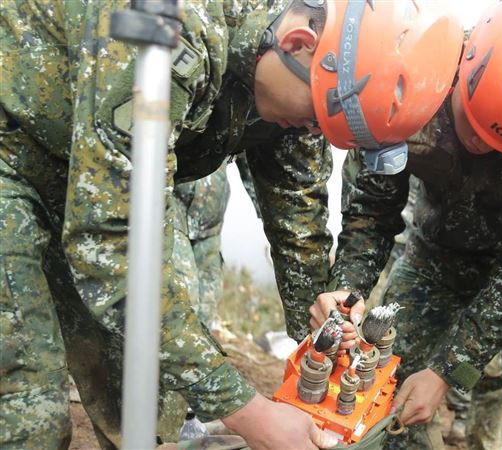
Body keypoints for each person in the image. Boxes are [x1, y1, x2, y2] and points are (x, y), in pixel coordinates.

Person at [0, 0, 464, 448]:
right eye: (315, 119)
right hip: (14, 158)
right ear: (298, 42)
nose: (312, 132)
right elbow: (114, 243)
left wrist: (322, 332)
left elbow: (297, 218)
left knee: (144, 397)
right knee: (30, 410)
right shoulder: (172, 30)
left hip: (97, 183)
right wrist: (248, 412)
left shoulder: (303, 83)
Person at [310, 2, 502, 448]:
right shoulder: (409, 75)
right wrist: (348, 290)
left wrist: (447, 372)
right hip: (434, 260)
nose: (480, 146)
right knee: (384, 394)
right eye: (471, 122)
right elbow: (372, 212)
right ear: (466, 65)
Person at [174, 166, 231, 330]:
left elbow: (255, 162)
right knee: (185, 295)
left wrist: (265, 214)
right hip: (175, 217)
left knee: (208, 301)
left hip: (211, 225)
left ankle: (201, 342)